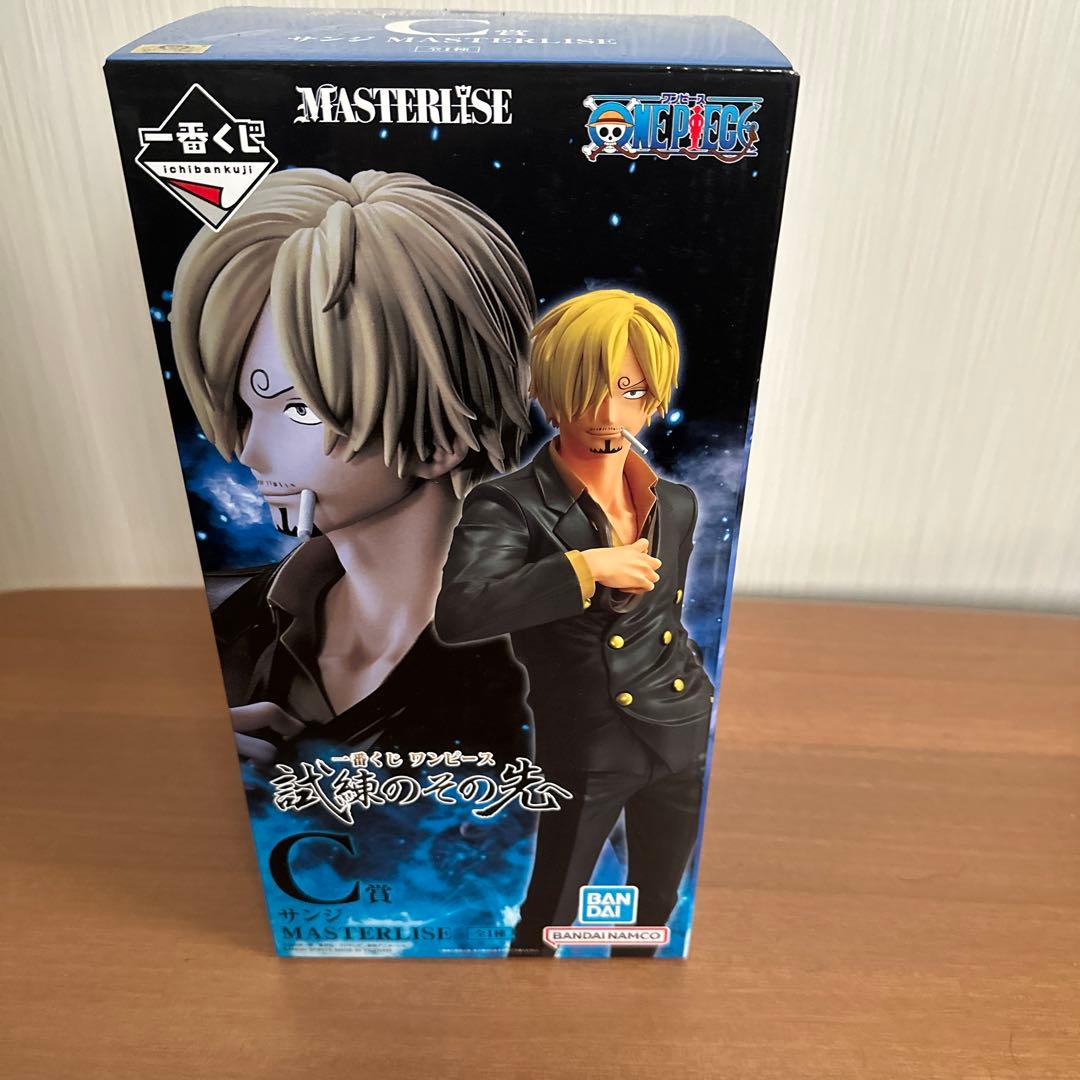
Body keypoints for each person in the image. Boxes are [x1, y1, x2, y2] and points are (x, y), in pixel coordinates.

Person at [171, 169, 535, 763]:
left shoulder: (542, 664)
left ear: (440, 438)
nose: (250, 453)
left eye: (299, 409)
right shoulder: (221, 624)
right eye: (246, 407)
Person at [435, 289, 714, 955]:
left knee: (655, 910)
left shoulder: (676, 504)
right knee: (549, 915)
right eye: (587, 389)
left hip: (681, 728)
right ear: (550, 390)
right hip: (588, 741)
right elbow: (460, 612)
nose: (608, 413)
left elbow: (666, 614)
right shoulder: (509, 504)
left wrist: (696, 696)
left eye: (631, 391)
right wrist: (583, 568)